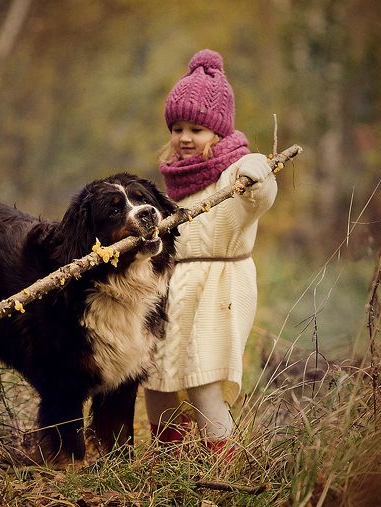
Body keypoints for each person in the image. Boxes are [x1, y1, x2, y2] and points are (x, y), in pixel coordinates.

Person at [143, 49, 277, 455]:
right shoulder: (175, 182)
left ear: (218, 132)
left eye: (197, 129)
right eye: (178, 127)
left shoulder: (236, 172)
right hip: (172, 288)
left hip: (219, 288)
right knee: (158, 376)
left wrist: (258, 172)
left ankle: (223, 461)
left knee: (203, 377)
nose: (184, 137)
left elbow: (261, 194)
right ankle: (173, 460)